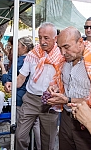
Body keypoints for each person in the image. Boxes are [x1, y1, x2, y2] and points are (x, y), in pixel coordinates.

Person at [5, 22, 64, 150]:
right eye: (40, 37)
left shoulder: (62, 57)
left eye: (46, 38)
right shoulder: (33, 54)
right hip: (31, 99)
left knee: (47, 142)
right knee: (20, 136)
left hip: (50, 102)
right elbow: (21, 77)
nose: (42, 41)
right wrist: (11, 84)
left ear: (56, 38)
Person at [0, 36, 41, 150]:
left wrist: (2, 68)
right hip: (32, 98)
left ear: (24, 47)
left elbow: (10, 79)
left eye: (16, 46)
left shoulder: (20, 61)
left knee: (21, 129)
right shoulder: (35, 59)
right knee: (36, 127)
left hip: (20, 98)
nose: (14, 48)